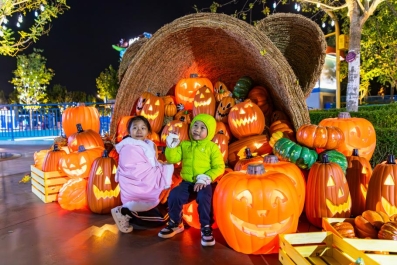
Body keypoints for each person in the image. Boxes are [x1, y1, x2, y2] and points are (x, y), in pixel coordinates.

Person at [158, 113, 225, 247]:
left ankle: (206, 227)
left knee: (205, 197)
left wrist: (205, 178)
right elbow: (173, 159)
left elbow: (219, 167)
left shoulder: (212, 147)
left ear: (209, 132)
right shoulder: (185, 145)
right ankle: (176, 223)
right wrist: (171, 147)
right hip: (188, 182)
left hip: (205, 182)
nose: (197, 130)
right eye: (195, 125)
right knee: (174, 196)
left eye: (202, 128)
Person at [111, 116, 174, 233]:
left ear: (148, 132)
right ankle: (123, 212)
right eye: (135, 128)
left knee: (162, 214)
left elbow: (149, 164)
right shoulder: (128, 148)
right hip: (135, 185)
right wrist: (163, 168)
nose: (139, 131)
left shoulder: (147, 145)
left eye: (143, 128)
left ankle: (129, 213)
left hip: (144, 181)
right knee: (168, 168)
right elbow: (134, 170)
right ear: (129, 132)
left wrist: (159, 166)